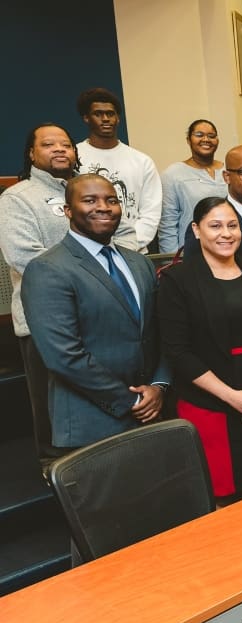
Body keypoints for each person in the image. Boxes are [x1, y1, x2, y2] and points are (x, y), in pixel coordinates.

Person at [159, 197, 242, 500]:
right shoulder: (177, 279)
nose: (226, 233)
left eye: (233, 225)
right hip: (211, 406)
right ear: (196, 230)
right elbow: (178, 352)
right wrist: (232, 397)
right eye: (215, 226)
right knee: (223, 498)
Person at [22, 175, 169, 450]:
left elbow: (160, 332)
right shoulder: (48, 269)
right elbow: (63, 356)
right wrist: (132, 402)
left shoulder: (140, 263)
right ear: (68, 211)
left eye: (111, 200)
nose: (103, 207)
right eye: (90, 200)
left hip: (152, 413)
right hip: (93, 423)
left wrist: (159, 386)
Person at [0, 123, 78, 457]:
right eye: (49, 144)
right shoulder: (18, 197)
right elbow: (24, 256)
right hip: (44, 320)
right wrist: (88, 280)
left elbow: (122, 238)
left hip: (92, 314)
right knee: (51, 404)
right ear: (32, 154)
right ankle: (54, 468)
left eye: (66, 144)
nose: (60, 149)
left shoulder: (87, 191)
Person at [74, 88, 162, 253]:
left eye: (110, 114)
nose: (106, 119)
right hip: (88, 252)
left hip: (135, 251)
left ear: (118, 118)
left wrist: (130, 244)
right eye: (98, 114)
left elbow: (151, 212)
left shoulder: (141, 161)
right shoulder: (75, 157)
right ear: (86, 118)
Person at [159, 120, 227, 253]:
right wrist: (171, 262)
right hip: (192, 252)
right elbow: (168, 224)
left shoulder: (228, 170)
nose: (206, 139)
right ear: (188, 140)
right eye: (199, 135)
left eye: (211, 136)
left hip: (228, 248)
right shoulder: (173, 174)